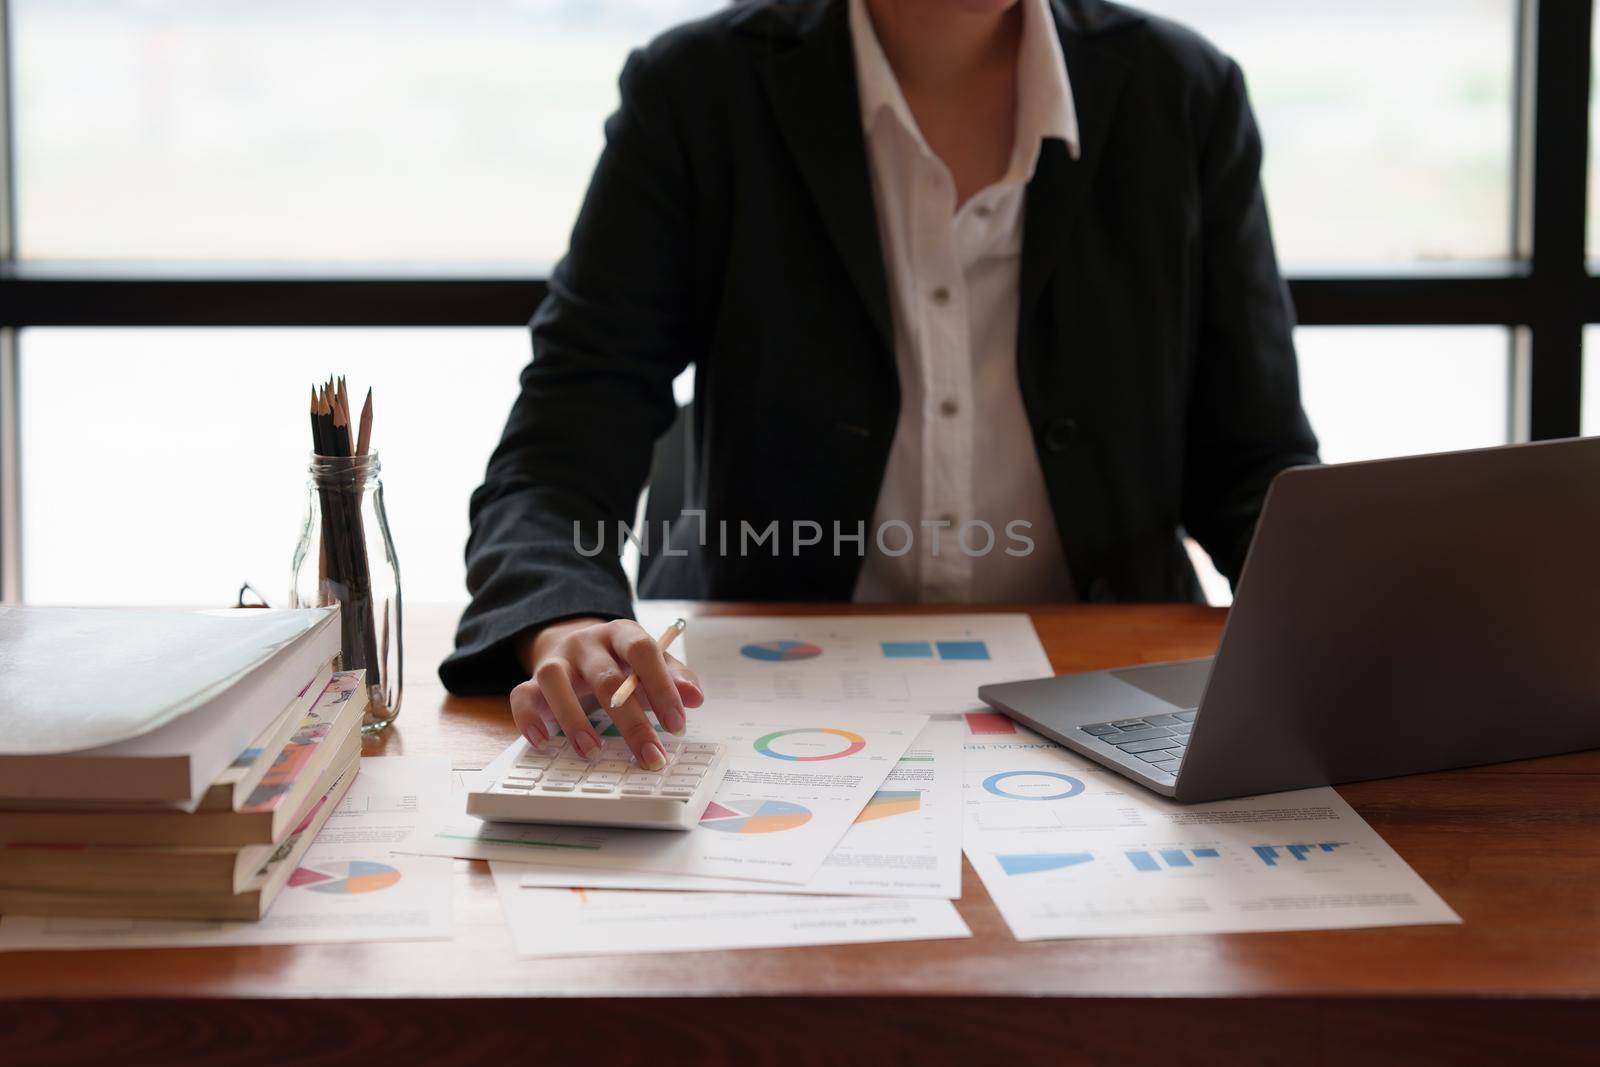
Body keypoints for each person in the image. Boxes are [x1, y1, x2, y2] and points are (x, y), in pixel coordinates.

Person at [439, 0, 1320, 771]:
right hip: (765, 699)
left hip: (1113, 697)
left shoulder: (1185, 92)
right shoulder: (700, 92)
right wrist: (564, 616)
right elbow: (563, 437)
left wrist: (1354, 619)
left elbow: (1252, 464)